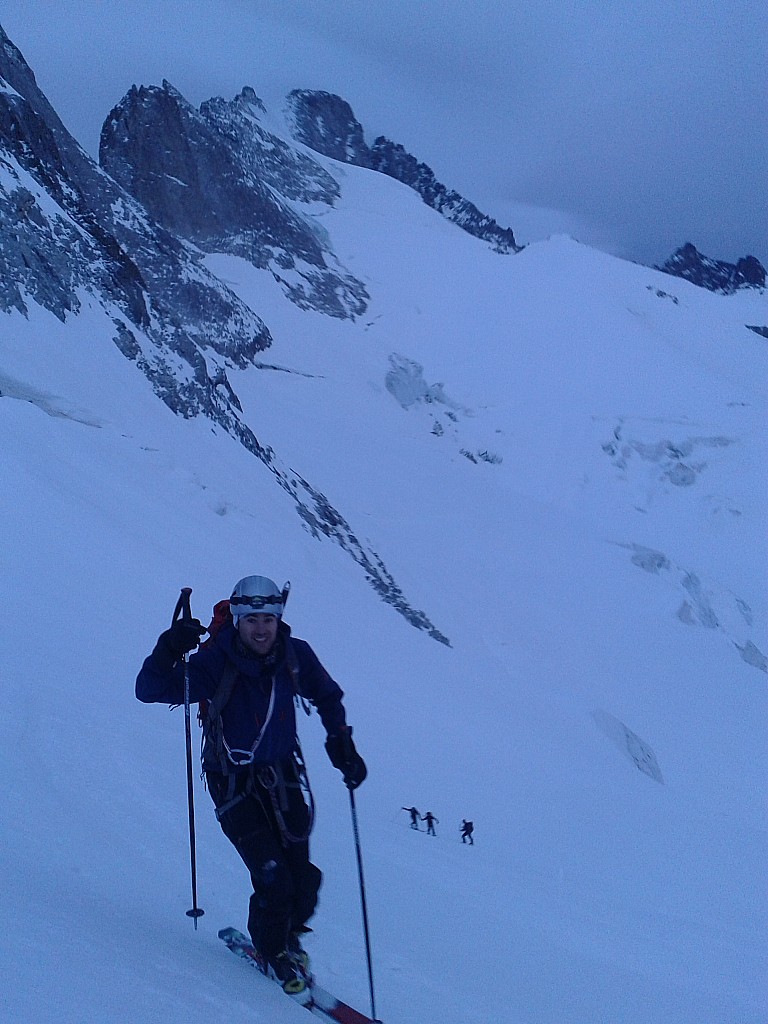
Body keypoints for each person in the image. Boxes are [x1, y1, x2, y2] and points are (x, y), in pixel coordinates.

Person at [135, 575, 366, 991]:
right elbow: (148, 690)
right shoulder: (214, 663)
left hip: (284, 776)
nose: (261, 628)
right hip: (233, 783)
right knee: (273, 876)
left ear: (279, 619)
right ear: (237, 621)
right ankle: (273, 951)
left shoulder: (295, 656)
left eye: (268, 619)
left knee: (305, 882)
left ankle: (287, 938)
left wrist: (340, 742)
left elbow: (328, 696)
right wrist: (169, 648)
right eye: (252, 619)